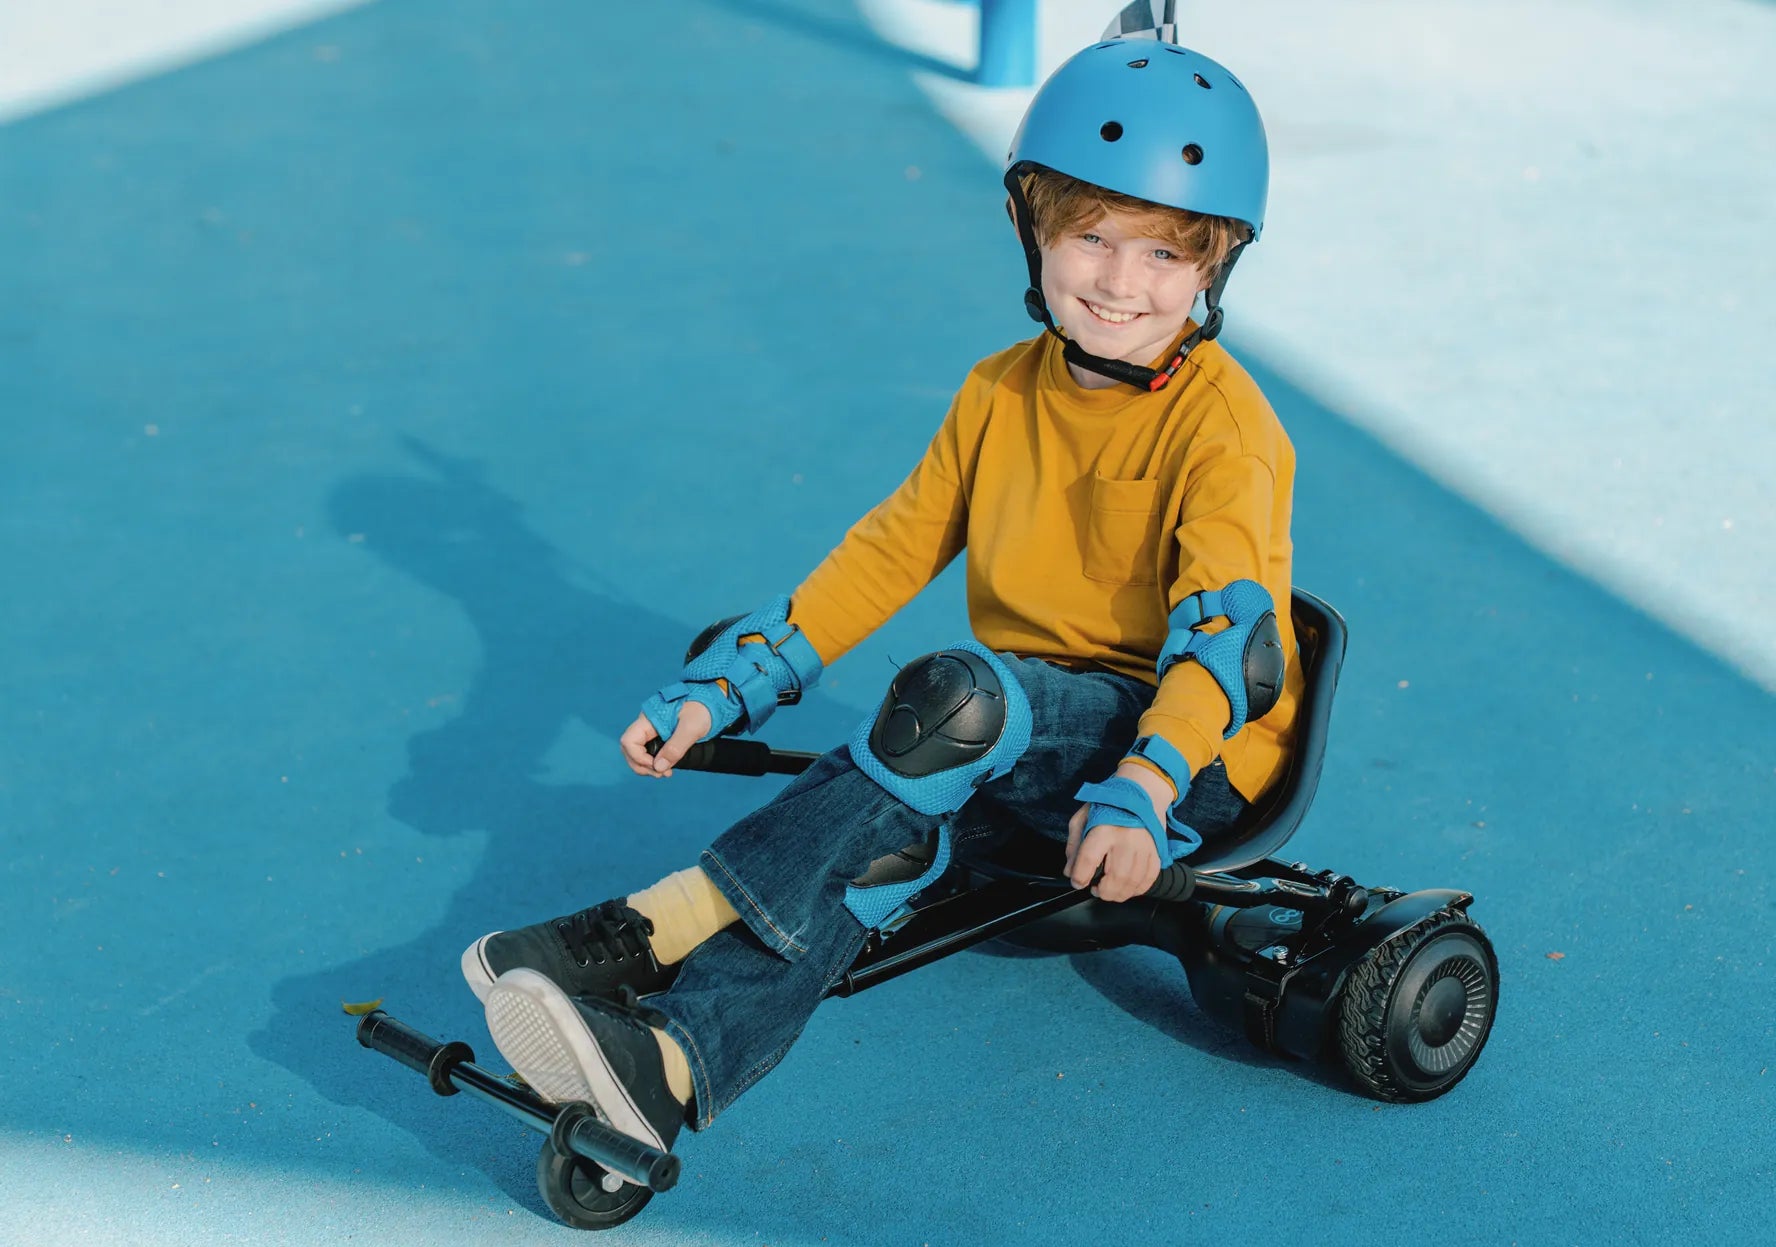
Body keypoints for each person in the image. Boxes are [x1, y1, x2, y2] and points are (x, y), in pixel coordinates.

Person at [468, 32, 1303, 1168]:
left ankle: (654, 923)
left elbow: (1221, 641)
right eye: (1092, 237)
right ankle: (672, 1065)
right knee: (874, 843)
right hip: (1024, 727)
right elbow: (890, 549)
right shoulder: (999, 391)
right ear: (1033, 231)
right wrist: (729, 684)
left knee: (954, 700)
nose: (1119, 282)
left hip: (1179, 747)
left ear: (1215, 264)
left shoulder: (1222, 428)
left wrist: (1148, 786)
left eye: (1163, 251)